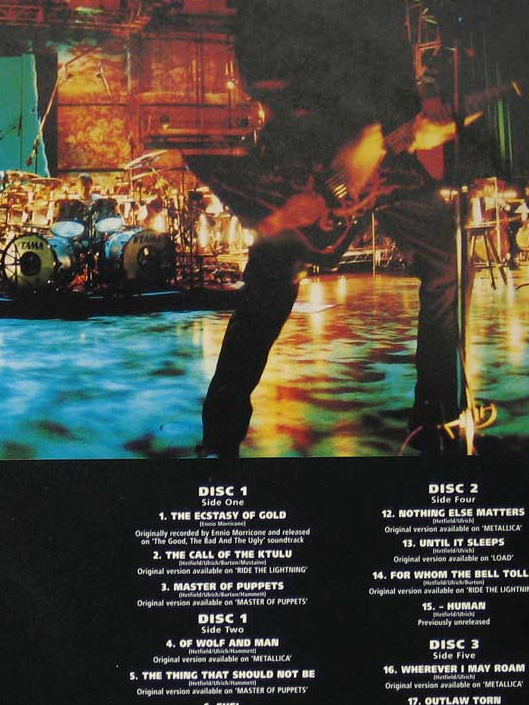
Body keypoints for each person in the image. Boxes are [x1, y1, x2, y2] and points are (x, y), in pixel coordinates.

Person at [201, 93, 472, 456]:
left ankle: (435, 417)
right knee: (268, 292)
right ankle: (220, 435)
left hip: (389, 163)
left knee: (449, 264)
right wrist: (359, 128)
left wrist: (423, 117)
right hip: (313, 156)